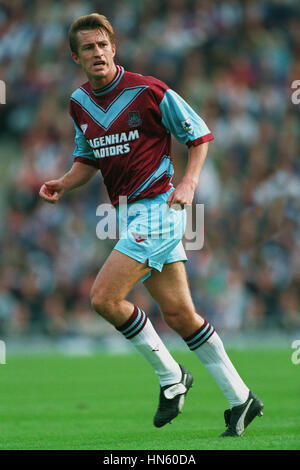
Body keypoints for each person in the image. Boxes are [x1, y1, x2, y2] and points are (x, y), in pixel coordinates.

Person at [39, 13, 264, 437]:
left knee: (104, 298)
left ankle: (171, 377)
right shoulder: (78, 104)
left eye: (103, 44)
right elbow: (87, 159)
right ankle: (241, 399)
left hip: (159, 209)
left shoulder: (147, 89)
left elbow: (198, 134)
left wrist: (190, 183)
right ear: (76, 57)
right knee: (180, 315)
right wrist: (64, 184)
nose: (98, 53)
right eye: (88, 48)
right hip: (124, 215)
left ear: (114, 47)